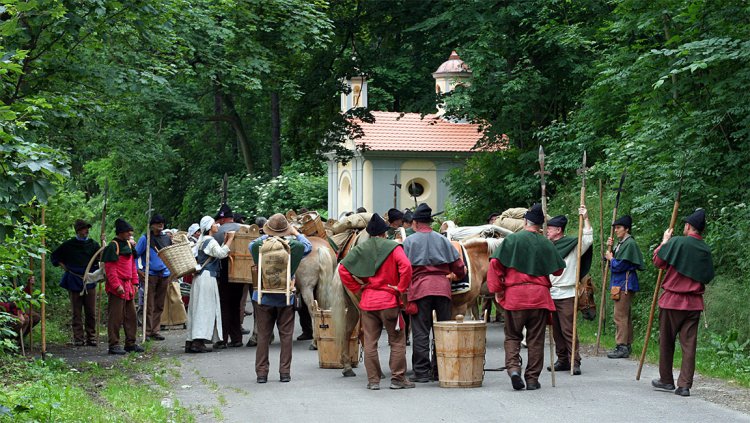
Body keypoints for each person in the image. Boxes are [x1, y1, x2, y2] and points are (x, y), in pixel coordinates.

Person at [488, 203, 565, 391]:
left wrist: (497, 290)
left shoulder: (512, 240)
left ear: (525, 221)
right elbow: (558, 270)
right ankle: (532, 379)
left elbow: (495, 265)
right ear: (540, 225)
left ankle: (514, 369)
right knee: (535, 339)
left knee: (512, 336)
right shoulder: (546, 242)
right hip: (539, 297)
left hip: (515, 296)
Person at [339, 214, 415, 390]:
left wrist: (357, 289)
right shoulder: (393, 247)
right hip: (389, 301)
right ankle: (397, 379)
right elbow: (407, 267)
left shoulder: (360, 249)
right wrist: (401, 287)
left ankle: (373, 381)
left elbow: (342, 269)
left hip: (368, 302)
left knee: (370, 342)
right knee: (396, 340)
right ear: (383, 233)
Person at [651, 209, 714, 397]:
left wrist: (665, 241)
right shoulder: (705, 249)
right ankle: (684, 385)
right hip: (694, 304)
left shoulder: (677, 241)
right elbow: (708, 276)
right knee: (689, 345)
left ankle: (666, 380)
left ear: (688, 226)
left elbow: (658, 261)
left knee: (666, 341)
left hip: (672, 301)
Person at [403, 203, 466, 383]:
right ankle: (440, 369)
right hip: (442, 289)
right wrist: (457, 275)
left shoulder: (409, 242)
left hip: (420, 290)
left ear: (415, 223)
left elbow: (403, 269)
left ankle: (421, 372)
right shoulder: (443, 240)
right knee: (442, 330)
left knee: (421, 331)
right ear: (429, 222)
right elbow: (459, 267)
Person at [250, 213, 312, 383]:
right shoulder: (295, 246)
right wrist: (295, 232)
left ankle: (261, 374)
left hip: (263, 297)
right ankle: (285, 372)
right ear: (286, 230)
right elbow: (308, 246)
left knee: (263, 336)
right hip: (285, 297)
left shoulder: (258, 246)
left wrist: (267, 234)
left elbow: (251, 245)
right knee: (286, 336)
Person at [545, 207, 593, 375]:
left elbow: (587, 238)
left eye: (549, 229)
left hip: (567, 293)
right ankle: (563, 359)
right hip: (551, 293)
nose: (547, 232)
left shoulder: (572, 245)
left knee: (568, 329)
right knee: (556, 330)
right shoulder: (548, 246)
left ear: (558, 230)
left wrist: (585, 218)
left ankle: (575, 360)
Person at [186, 216, 234, 353]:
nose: (217, 225)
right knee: (205, 309)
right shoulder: (210, 240)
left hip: (200, 278)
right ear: (208, 227)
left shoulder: (202, 241)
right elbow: (221, 253)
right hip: (207, 277)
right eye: (214, 224)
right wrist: (230, 240)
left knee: (196, 308)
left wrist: (224, 241)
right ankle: (198, 342)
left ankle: (191, 340)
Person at [51, 219, 101, 346]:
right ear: (78, 231)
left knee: (91, 311)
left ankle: (91, 337)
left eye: (87, 228)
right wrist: (65, 267)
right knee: (76, 311)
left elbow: (102, 257)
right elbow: (55, 257)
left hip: (89, 279)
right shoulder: (69, 245)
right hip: (74, 279)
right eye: (84, 229)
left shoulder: (93, 244)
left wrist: (104, 243)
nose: (87, 230)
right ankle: (78, 338)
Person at [102, 218, 144, 355]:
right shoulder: (113, 246)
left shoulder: (129, 245)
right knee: (115, 317)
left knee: (131, 316)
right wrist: (116, 286)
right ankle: (113, 345)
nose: (129, 235)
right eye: (127, 232)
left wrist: (135, 282)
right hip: (118, 287)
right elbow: (110, 269)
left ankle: (130, 343)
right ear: (121, 232)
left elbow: (133, 266)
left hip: (129, 286)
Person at [605, 215, 645, 359]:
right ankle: (626, 344)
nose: (616, 230)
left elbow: (621, 265)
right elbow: (614, 260)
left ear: (627, 229)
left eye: (619, 228)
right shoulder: (621, 243)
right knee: (624, 315)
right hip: (620, 283)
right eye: (615, 228)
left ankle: (621, 346)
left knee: (620, 316)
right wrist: (610, 251)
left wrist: (611, 259)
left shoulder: (629, 244)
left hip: (625, 283)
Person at [135, 214, 172, 341]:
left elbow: (170, 255)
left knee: (159, 304)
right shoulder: (146, 238)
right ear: (152, 225)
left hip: (164, 274)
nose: (160, 225)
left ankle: (155, 330)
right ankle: (147, 331)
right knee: (149, 304)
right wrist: (138, 270)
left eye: (161, 223)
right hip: (150, 275)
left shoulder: (167, 238)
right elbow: (135, 254)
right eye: (157, 223)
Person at [212, 204, 244, 348]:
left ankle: (223, 338)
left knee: (223, 306)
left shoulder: (217, 232)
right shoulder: (244, 229)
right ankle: (237, 338)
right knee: (236, 306)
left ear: (222, 219)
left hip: (224, 272)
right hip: (241, 273)